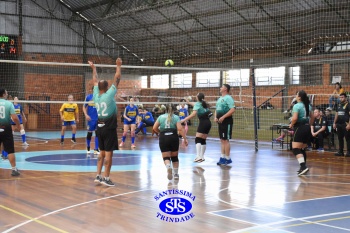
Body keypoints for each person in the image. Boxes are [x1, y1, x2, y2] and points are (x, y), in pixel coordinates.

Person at [89, 58, 122, 187]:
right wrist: (118, 66)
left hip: (100, 127)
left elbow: (94, 81)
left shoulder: (95, 96)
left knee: (101, 153)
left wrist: (94, 68)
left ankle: (98, 175)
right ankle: (106, 178)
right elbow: (117, 78)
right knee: (108, 155)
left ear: (98, 87)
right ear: (107, 87)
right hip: (109, 128)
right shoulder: (109, 95)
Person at [153, 104, 188, 180]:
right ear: (174, 110)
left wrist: (160, 132)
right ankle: (176, 174)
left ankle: (168, 167)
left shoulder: (160, 117)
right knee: (174, 157)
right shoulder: (176, 117)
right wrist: (185, 139)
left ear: (165, 110)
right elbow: (180, 129)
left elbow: (154, 128)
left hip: (163, 137)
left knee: (166, 157)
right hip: (173, 137)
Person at [181, 93, 212, 162]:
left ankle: (198, 156)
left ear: (197, 97)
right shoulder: (203, 103)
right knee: (203, 140)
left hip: (203, 123)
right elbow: (193, 104)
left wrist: (184, 119)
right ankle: (202, 157)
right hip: (208, 123)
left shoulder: (198, 104)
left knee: (197, 139)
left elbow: (193, 114)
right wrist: (188, 102)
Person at [289, 90, 314, 176]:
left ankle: (303, 167)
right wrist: (308, 125)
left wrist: (291, 124)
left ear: (299, 97)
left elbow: (295, 118)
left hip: (299, 127)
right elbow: (313, 117)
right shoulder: (308, 105)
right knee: (302, 148)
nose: (295, 96)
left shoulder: (296, 106)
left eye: (296, 94)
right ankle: (303, 168)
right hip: (307, 127)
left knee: (295, 149)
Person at [0, 89, 20, 176]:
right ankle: (14, 169)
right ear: (4, 94)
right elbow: (15, 118)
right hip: (6, 129)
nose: (7, 94)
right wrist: (18, 126)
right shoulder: (9, 104)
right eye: (7, 93)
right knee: (10, 150)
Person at [214, 84, 236, 166]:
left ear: (225, 89)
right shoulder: (220, 99)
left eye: (222, 87)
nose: (220, 88)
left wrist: (223, 116)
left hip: (227, 121)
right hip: (220, 121)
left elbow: (233, 109)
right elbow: (217, 109)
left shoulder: (228, 98)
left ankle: (227, 158)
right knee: (222, 140)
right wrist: (215, 117)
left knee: (226, 140)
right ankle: (222, 157)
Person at [83, 86, 99, 156]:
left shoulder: (100, 98)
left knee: (98, 134)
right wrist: (86, 115)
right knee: (89, 133)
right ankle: (88, 147)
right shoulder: (88, 97)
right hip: (90, 119)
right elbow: (83, 107)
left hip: (99, 118)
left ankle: (96, 149)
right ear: (92, 90)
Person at [332, 93, 350, 157]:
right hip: (339, 124)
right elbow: (336, 114)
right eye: (340, 97)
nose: (341, 98)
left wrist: (349, 124)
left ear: (345, 98)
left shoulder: (348, 105)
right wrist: (334, 123)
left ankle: (348, 152)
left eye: (342, 97)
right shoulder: (338, 105)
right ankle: (340, 151)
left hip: (345, 124)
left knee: (348, 138)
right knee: (340, 138)